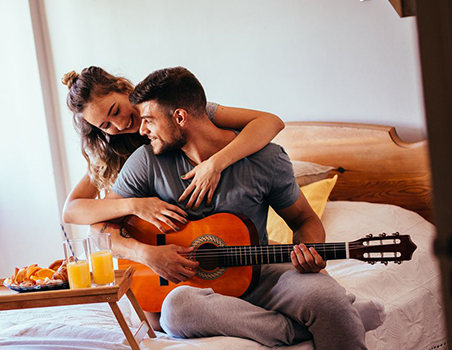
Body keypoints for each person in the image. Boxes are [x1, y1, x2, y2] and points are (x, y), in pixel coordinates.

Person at [97, 67, 381, 350]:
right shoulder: (146, 163)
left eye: (148, 120)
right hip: (195, 291)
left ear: (180, 117)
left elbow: (303, 220)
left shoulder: (264, 159)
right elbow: (101, 230)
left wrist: (311, 250)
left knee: (328, 301)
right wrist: (145, 254)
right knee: (176, 310)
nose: (140, 130)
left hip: (262, 273)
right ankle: (319, 328)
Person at [60, 67, 285, 232]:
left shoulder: (184, 114)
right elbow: (71, 211)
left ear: (122, 87)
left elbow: (270, 122)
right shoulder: (115, 152)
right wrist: (135, 205)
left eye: (116, 110)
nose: (119, 125)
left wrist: (214, 164)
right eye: (105, 126)